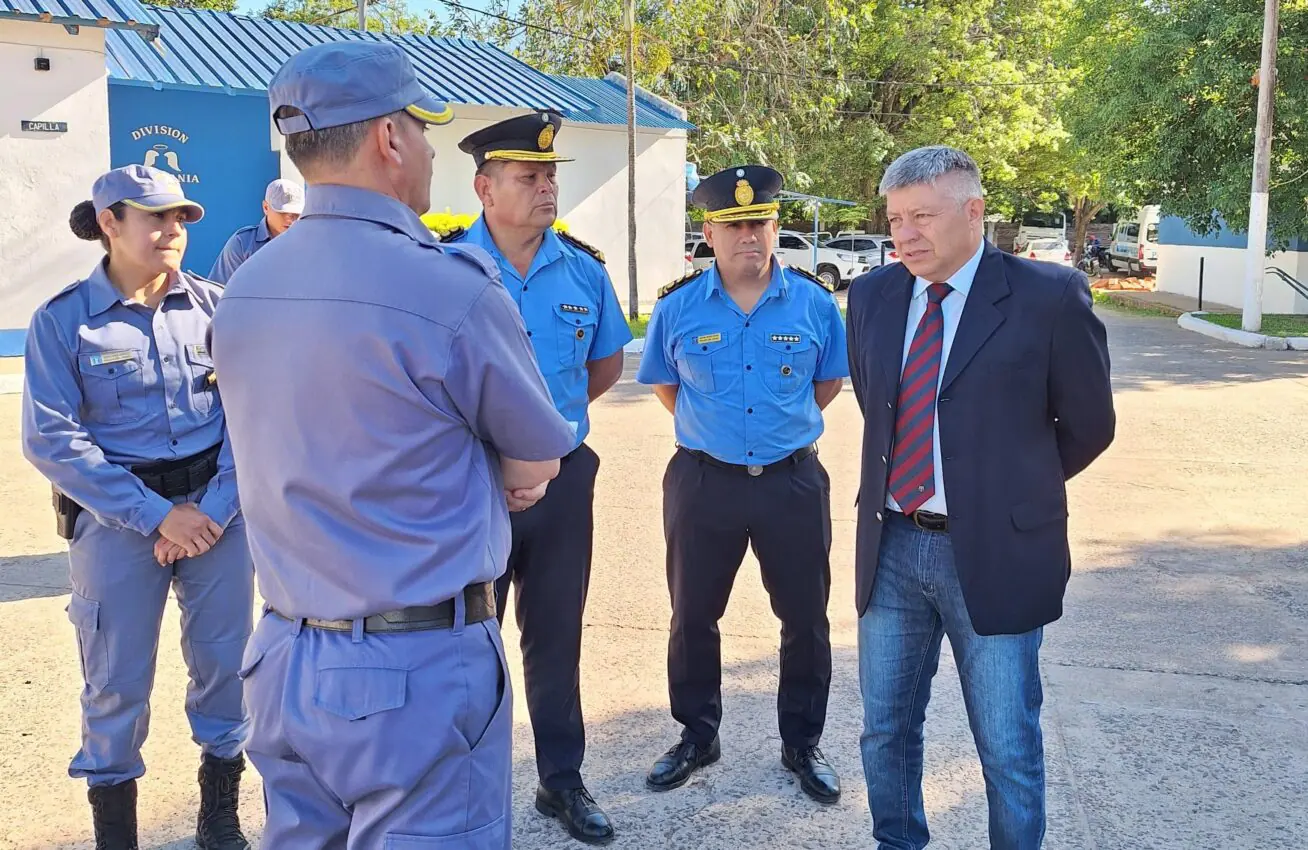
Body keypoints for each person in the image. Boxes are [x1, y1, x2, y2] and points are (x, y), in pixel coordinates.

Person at [208, 42, 577, 848]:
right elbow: (537, 461)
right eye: (420, 126)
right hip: (413, 671)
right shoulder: (450, 285)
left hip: (282, 658)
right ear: (387, 139)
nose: (430, 147)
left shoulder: (244, 288)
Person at [846, 146, 1115, 849]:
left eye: (922, 217)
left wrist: (1009, 493)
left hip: (994, 552)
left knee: (1006, 743)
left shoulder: (1048, 297)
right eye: (895, 218)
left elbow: (1089, 425)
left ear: (974, 212)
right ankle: (897, 841)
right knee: (886, 728)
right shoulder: (873, 297)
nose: (903, 234)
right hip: (893, 545)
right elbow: (878, 408)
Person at [21, 164, 254, 850]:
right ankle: (116, 835)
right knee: (116, 679)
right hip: (121, 521)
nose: (171, 230)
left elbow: (251, 417)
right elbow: (52, 439)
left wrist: (212, 508)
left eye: (180, 217)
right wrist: (159, 517)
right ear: (108, 224)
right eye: (154, 216)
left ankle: (220, 820)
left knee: (227, 666)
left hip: (218, 513)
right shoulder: (64, 321)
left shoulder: (217, 308)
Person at [444, 109, 630, 845]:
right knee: (463, 639)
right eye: (529, 177)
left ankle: (562, 781)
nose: (546, 188)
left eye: (551, 177)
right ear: (485, 187)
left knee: (555, 635)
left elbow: (606, 364)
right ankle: (461, 783)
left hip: (561, 482)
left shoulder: (583, 270)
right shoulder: (449, 268)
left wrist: (546, 444)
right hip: (470, 484)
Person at [636, 165, 848, 805]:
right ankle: (697, 736)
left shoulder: (814, 303)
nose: (748, 237)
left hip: (791, 481)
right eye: (733, 226)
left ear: (776, 226)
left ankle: (802, 743)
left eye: (758, 223)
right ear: (709, 233)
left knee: (805, 619)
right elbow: (666, 388)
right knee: (693, 615)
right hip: (705, 483)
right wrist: (720, 435)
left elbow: (827, 385)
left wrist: (772, 433)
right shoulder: (677, 307)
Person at [207, 178, 304, 283]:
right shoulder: (243, 244)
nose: (289, 218)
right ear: (266, 207)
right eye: (282, 212)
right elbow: (220, 291)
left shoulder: (310, 243)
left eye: (295, 213)